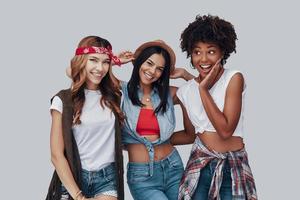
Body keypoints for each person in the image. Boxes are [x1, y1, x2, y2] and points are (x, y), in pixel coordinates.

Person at [177, 15, 257, 200]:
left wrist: (202, 89)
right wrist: (150, 143)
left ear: (223, 52)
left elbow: (225, 129)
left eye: (211, 51)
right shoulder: (186, 91)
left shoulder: (234, 78)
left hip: (231, 167)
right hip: (200, 166)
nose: (203, 58)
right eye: (197, 52)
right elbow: (190, 134)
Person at [111, 40, 195, 200]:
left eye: (159, 69)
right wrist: (115, 61)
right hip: (142, 177)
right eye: (149, 63)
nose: (152, 71)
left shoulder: (169, 94)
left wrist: (185, 74)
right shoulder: (122, 91)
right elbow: (86, 72)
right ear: (139, 61)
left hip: (173, 167)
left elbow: (204, 93)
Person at [46, 36, 125, 200]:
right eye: (93, 60)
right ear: (82, 61)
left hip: (107, 178)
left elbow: (144, 85)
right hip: (72, 176)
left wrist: (185, 75)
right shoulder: (63, 100)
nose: (100, 68)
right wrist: (78, 196)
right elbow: (56, 154)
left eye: (105, 62)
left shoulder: (115, 96)